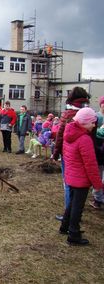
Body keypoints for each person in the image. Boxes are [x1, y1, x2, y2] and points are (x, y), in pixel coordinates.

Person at [59, 108, 103, 245]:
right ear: (84, 122)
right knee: (78, 208)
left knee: (72, 204)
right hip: (81, 180)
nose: (94, 125)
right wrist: (98, 185)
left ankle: (64, 227)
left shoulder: (69, 133)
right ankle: (73, 235)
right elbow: (91, 165)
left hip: (71, 177)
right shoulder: (84, 139)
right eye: (92, 123)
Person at [52, 86, 90, 220]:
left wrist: (55, 154)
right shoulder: (89, 112)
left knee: (68, 184)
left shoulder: (68, 113)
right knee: (81, 185)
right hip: (85, 153)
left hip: (68, 154)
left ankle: (69, 215)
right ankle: (76, 213)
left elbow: (60, 136)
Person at [90, 96, 104, 209]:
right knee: (98, 175)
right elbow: (92, 132)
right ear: (101, 104)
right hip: (99, 150)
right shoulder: (97, 117)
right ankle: (97, 198)